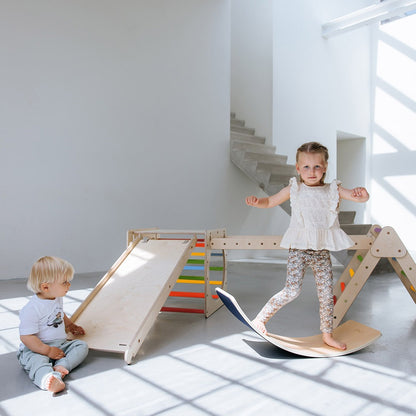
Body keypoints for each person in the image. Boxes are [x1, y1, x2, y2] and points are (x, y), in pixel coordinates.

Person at [245, 141, 369, 350]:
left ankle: (327, 335)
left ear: (325, 167)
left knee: (326, 294)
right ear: (298, 168)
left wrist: (362, 194)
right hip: (299, 249)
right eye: (306, 167)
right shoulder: (294, 189)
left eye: (317, 167)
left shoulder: (333, 190)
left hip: (321, 251)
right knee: (292, 290)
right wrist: (258, 202)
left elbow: (358, 198)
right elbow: (269, 202)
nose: (312, 172)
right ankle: (260, 320)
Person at [17, 256, 89, 393]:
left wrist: (70, 325)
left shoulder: (57, 298)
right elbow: (26, 337)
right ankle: (47, 379)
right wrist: (47, 350)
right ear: (45, 287)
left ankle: (61, 366)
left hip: (60, 344)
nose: (69, 285)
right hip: (36, 347)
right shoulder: (32, 309)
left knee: (81, 346)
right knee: (37, 362)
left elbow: (60, 314)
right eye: (64, 282)